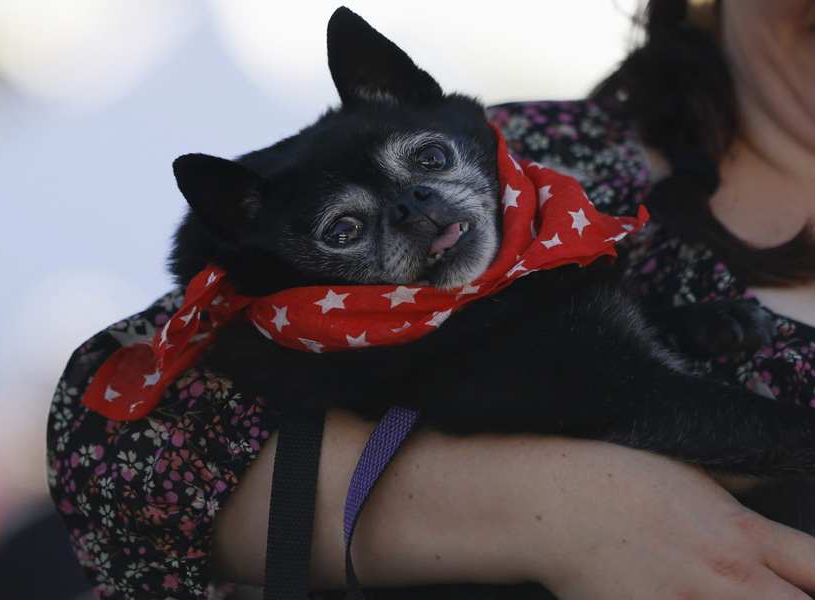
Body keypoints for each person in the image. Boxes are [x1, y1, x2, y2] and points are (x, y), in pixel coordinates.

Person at [46, 0, 815, 598]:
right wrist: (568, 511)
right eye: (350, 226)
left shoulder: (539, 212)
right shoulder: (563, 162)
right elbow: (107, 436)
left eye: (428, 165)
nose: (421, 213)